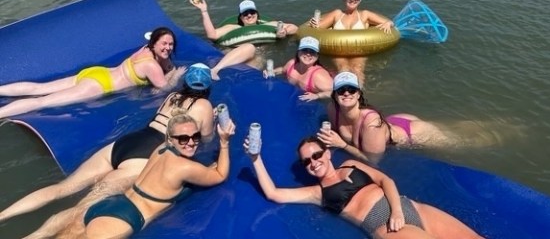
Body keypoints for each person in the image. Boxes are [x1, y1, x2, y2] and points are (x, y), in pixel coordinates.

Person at [0, 63, 215, 234]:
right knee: (82, 209)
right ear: (207, 87)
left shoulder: (172, 96)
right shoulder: (205, 105)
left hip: (128, 142)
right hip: (143, 157)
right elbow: (204, 139)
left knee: (62, 188)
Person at [245, 135, 484, 239]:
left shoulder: (349, 164)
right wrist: (256, 159)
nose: (313, 162)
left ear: (327, 153)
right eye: (306, 161)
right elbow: (274, 193)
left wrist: (399, 211)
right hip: (386, 226)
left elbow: (385, 181)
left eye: (316, 155)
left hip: (410, 208)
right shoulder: (317, 193)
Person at [74, 113, 234, 239]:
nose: (191, 142)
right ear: (171, 140)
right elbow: (220, 175)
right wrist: (224, 142)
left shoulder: (162, 148)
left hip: (112, 203)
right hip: (124, 218)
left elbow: (182, 130)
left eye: (195, 136)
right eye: (184, 139)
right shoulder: (185, 167)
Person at [0, 27, 187, 118]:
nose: (168, 48)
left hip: (96, 73)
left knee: (39, 88)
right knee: (41, 102)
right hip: (98, 85)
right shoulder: (152, 66)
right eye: (164, 43)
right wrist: (176, 75)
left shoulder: (145, 50)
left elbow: (165, 61)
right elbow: (163, 89)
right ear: (154, 43)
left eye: (171, 44)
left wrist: (168, 65)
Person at [319, 72, 450, 163]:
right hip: (390, 123)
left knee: (457, 143)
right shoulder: (332, 109)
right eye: (341, 90)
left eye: (351, 89)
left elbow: (373, 160)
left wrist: (342, 145)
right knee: (452, 128)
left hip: (412, 134)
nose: (346, 93)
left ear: (358, 94)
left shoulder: (370, 123)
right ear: (335, 95)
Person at [190, 0, 298, 80]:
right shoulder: (234, 28)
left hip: (257, 55)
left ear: (257, 14)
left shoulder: (271, 25)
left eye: (252, 12)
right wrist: (204, 11)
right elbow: (212, 35)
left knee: (258, 61)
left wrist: (284, 32)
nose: (249, 15)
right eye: (245, 13)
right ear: (241, 17)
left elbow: (294, 28)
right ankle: (214, 70)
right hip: (234, 53)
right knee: (249, 47)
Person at [309, 0, 395, 87]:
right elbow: (318, 29)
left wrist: (389, 23)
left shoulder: (365, 15)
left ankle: (358, 97)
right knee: (343, 68)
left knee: (357, 69)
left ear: (360, 0)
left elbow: (389, 22)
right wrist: (314, 24)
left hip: (358, 51)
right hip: (338, 51)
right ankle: (343, 94)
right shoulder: (337, 14)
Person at [264, 36, 333, 101]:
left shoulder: (318, 75)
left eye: (312, 51)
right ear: (298, 52)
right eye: (305, 50)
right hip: (291, 97)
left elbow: (335, 92)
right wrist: (272, 72)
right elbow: (282, 70)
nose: (308, 54)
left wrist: (317, 96)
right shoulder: (292, 64)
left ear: (317, 56)